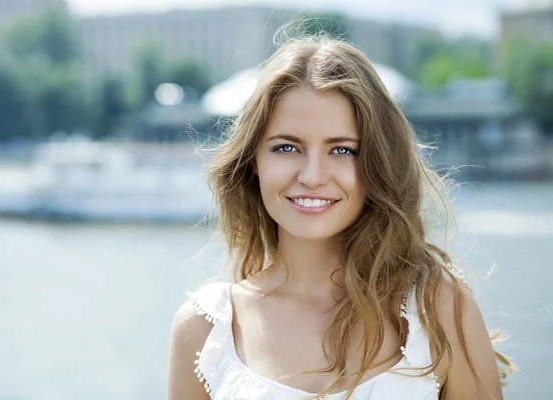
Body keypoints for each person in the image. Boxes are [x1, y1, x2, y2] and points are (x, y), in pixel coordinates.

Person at [167, 32, 513, 400]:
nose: (313, 176)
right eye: (287, 147)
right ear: (254, 161)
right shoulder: (206, 331)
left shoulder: (439, 308)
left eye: (343, 150)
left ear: (378, 163)